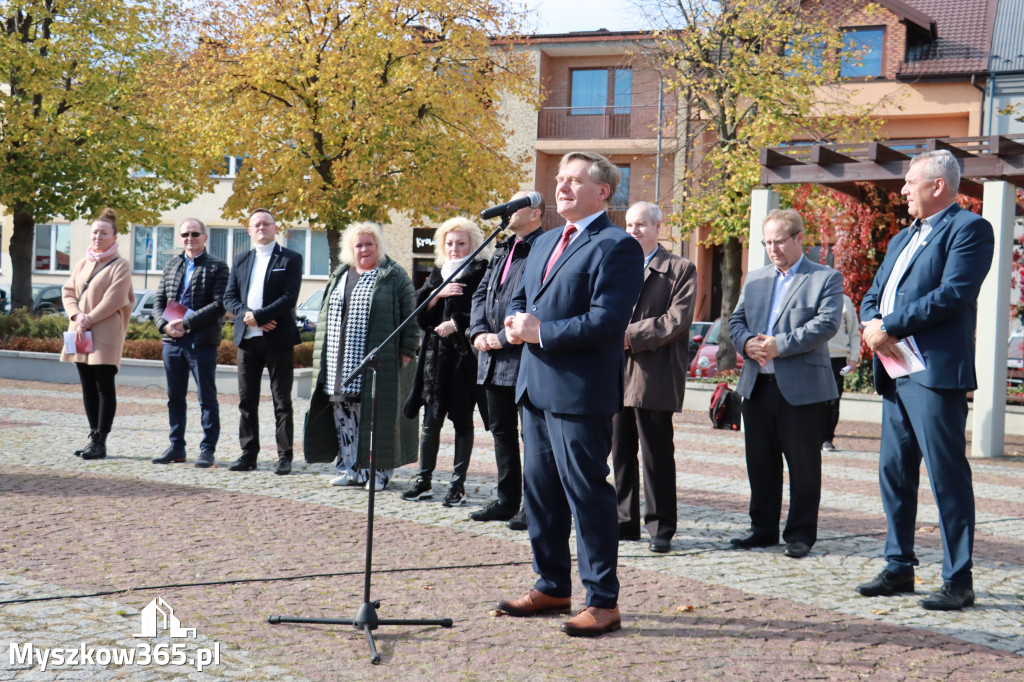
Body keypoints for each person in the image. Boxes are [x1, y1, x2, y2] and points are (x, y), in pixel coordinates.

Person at [498, 151, 644, 638]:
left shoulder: (617, 246)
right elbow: (522, 298)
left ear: (603, 192)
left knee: (587, 495)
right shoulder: (541, 244)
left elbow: (607, 320)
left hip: (580, 393)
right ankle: (553, 584)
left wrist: (541, 331)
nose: (561, 187)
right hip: (534, 387)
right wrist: (516, 323)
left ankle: (602, 600)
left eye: (574, 181)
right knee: (539, 494)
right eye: (559, 179)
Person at [857, 149, 994, 611]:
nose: (902, 190)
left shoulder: (970, 229)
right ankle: (899, 567)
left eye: (910, 182)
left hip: (934, 374)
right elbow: (872, 294)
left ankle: (958, 579)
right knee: (894, 474)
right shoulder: (900, 239)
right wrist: (872, 324)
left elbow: (953, 294)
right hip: (895, 372)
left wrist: (889, 326)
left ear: (938, 186)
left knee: (946, 477)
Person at [728, 208, 842, 560]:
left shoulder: (825, 277)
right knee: (760, 463)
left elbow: (826, 324)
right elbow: (736, 320)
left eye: (779, 241)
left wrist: (780, 344)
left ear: (798, 239)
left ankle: (800, 533)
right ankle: (762, 529)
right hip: (758, 387)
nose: (773, 248)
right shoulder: (757, 277)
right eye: (767, 242)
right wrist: (745, 342)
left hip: (802, 389)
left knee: (804, 465)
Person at [303, 222, 418, 490]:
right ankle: (351, 468)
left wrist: (406, 352)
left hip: (378, 363)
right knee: (344, 416)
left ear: (378, 247)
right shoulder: (340, 274)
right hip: (338, 362)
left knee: (377, 418)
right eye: (359, 245)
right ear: (349, 249)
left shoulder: (393, 275)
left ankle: (379, 472)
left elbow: (412, 317)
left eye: (369, 244)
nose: (364, 249)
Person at [612, 201, 696, 554]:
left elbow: (677, 321)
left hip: (653, 375)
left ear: (658, 227)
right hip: (614, 374)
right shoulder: (616, 266)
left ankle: (661, 528)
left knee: (656, 454)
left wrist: (629, 335)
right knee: (620, 453)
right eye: (629, 224)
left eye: (641, 224)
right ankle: (623, 521)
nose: (634, 231)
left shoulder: (680, 268)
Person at [467, 191, 544, 528]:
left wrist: (499, 338)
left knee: (533, 437)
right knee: (501, 433)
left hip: (524, 356)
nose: (509, 211)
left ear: (536, 214)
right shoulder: (502, 248)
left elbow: (535, 302)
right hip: (492, 359)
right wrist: (477, 333)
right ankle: (506, 500)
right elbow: (481, 293)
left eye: (517, 205)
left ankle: (535, 505)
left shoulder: (544, 248)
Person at [402, 218, 489, 506]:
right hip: (433, 360)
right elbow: (420, 314)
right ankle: (423, 481)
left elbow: (486, 311)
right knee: (431, 421)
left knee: (463, 421)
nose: (454, 248)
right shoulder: (439, 273)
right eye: (449, 243)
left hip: (463, 359)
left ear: (472, 244)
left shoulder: (480, 271)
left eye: (461, 243)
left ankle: (457, 485)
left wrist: (456, 323)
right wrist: (436, 295)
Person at [222, 209, 303, 475]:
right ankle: (248, 453)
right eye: (256, 225)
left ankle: (285, 456)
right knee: (247, 401)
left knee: (282, 402)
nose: (261, 228)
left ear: (275, 228)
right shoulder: (241, 259)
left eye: (266, 224)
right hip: (247, 341)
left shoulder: (290, 258)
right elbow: (229, 297)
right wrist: (248, 317)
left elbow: (290, 297)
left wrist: (259, 316)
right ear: (249, 230)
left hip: (278, 340)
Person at [151, 218, 229, 468]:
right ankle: (176, 446)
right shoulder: (171, 265)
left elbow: (219, 305)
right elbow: (159, 302)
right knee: (175, 396)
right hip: (172, 341)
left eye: (195, 234)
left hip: (201, 340)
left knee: (207, 397)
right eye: (185, 234)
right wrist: (165, 326)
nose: (190, 238)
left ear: (205, 237)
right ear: (180, 238)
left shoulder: (218, 267)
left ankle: (207, 449)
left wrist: (187, 323)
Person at [61, 208, 135, 460]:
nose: (98, 236)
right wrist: (76, 316)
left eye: (103, 232)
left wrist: (89, 318)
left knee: (104, 385)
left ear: (114, 237)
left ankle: (101, 440)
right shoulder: (82, 263)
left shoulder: (121, 265)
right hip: (80, 330)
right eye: (94, 232)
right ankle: (92, 435)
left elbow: (115, 299)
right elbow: (68, 292)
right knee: (87, 386)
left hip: (105, 332)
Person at [822, 293, 860, 451]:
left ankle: (827, 438)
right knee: (810, 400)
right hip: (812, 356)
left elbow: (853, 331)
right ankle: (811, 437)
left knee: (833, 400)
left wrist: (853, 358)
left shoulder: (844, 301)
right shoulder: (811, 295)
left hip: (837, 358)